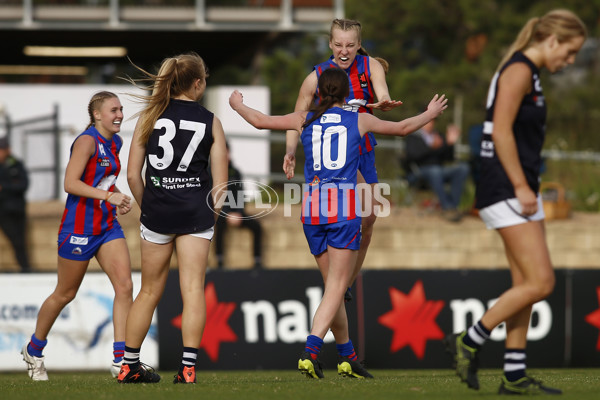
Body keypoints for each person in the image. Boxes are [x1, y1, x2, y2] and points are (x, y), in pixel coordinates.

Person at [230, 67, 447, 379]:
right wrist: (429, 112)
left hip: (311, 211)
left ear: (319, 92)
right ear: (347, 93)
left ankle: (348, 356)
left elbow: (261, 121)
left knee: (333, 290)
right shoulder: (358, 118)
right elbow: (402, 128)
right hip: (342, 210)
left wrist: (238, 105)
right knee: (336, 287)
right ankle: (311, 349)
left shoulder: (304, 117)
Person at [445, 9, 586, 395]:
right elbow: (501, 132)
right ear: (553, 40)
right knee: (542, 281)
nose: (570, 61)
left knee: (524, 282)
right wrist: (523, 187)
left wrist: (528, 186)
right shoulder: (519, 70)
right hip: (506, 186)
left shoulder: (531, 73)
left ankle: (514, 373)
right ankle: (469, 340)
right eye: (570, 51)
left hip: (519, 185)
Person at [119, 52, 228, 384]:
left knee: (148, 291)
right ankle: (188, 368)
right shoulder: (210, 120)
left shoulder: (150, 116)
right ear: (197, 84)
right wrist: (212, 216)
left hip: (157, 213)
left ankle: (129, 366)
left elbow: (133, 175)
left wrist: (149, 206)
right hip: (196, 213)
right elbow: (222, 185)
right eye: (205, 81)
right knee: (193, 289)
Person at [284, 18, 403, 302]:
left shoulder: (369, 65)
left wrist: (384, 101)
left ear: (359, 45)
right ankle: (337, 284)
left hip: (361, 152)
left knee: (370, 217)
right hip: (333, 162)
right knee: (341, 216)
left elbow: (382, 89)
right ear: (330, 44)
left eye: (350, 45)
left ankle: (346, 283)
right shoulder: (317, 76)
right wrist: (289, 151)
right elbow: (295, 117)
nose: (344, 51)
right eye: (338, 44)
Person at [21, 91, 134, 381]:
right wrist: (107, 195)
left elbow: (105, 179)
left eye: (120, 109)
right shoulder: (86, 141)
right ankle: (34, 350)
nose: (119, 114)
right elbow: (70, 183)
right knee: (65, 294)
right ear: (97, 115)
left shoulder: (116, 142)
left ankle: (120, 361)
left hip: (106, 226)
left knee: (125, 286)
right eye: (113, 110)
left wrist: (118, 196)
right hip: (79, 229)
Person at [404, 119, 470, 222]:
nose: (430, 124)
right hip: (418, 172)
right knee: (435, 171)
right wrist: (431, 147)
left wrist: (449, 144)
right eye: (428, 121)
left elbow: (449, 158)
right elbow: (411, 156)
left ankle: (453, 206)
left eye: (432, 121)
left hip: (439, 171)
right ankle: (447, 207)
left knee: (462, 168)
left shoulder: (439, 136)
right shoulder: (413, 137)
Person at [215, 141, 263, 269]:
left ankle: (257, 261)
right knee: (219, 224)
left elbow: (240, 194)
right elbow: (211, 197)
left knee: (256, 226)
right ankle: (219, 260)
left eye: (226, 152)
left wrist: (238, 213)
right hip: (217, 213)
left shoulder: (235, 172)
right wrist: (225, 213)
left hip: (235, 213)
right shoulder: (209, 171)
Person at [0, 136, 32, 272]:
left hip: (17, 209)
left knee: (19, 240)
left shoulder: (15, 164)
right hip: (2, 210)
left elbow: (23, 185)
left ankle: (25, 268)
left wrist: (4, 187)